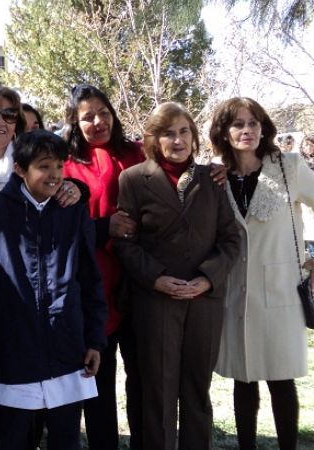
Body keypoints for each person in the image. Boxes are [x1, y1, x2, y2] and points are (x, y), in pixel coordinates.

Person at [0, 85, 86, 450]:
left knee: (30, 421)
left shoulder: (32, 168)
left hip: (36, 319)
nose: (0, 121)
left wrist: (71, 188)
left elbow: (53, 186)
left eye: (10, 114)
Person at [114, 102, 241, 450]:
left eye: (184, 131)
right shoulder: (134, 179)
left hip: (204, 301)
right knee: (158, 392)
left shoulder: (213, 180)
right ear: (153, 138)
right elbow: (126, 242)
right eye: (168, 132)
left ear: (194, 136)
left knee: (197, 390)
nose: (178, 139)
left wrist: (207, 279)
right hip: (156, 301)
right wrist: (156, 279)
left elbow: (232, 239)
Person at [0, 129, 107, 450]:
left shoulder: (73, 212)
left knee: (65, 439)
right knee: (14, 439)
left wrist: (94, 340)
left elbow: (90, 280)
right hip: (15, 354)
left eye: (60, 166)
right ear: (20, 168)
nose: (55, 175)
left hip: (68, 351)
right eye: (44, 166)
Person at [211, 97, 314, 450]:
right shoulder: (217, 175)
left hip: (282, 291)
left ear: (264, 128)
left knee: (281, 381)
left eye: (253, 123)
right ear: (224, 131)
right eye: (238, 124)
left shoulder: (288, 165)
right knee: (244, 379)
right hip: (236, 294)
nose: (247, 130)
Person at [61, 83, 145, 450]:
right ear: (74, 123)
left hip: (140, 283)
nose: (98, 121)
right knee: (98, 384)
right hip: (93, 288)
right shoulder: (65, 163)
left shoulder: (138, 153)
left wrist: (213, 172)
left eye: (103, 112)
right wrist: (102, 227)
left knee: (143, 380)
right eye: (87, 116)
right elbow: (59, 229)